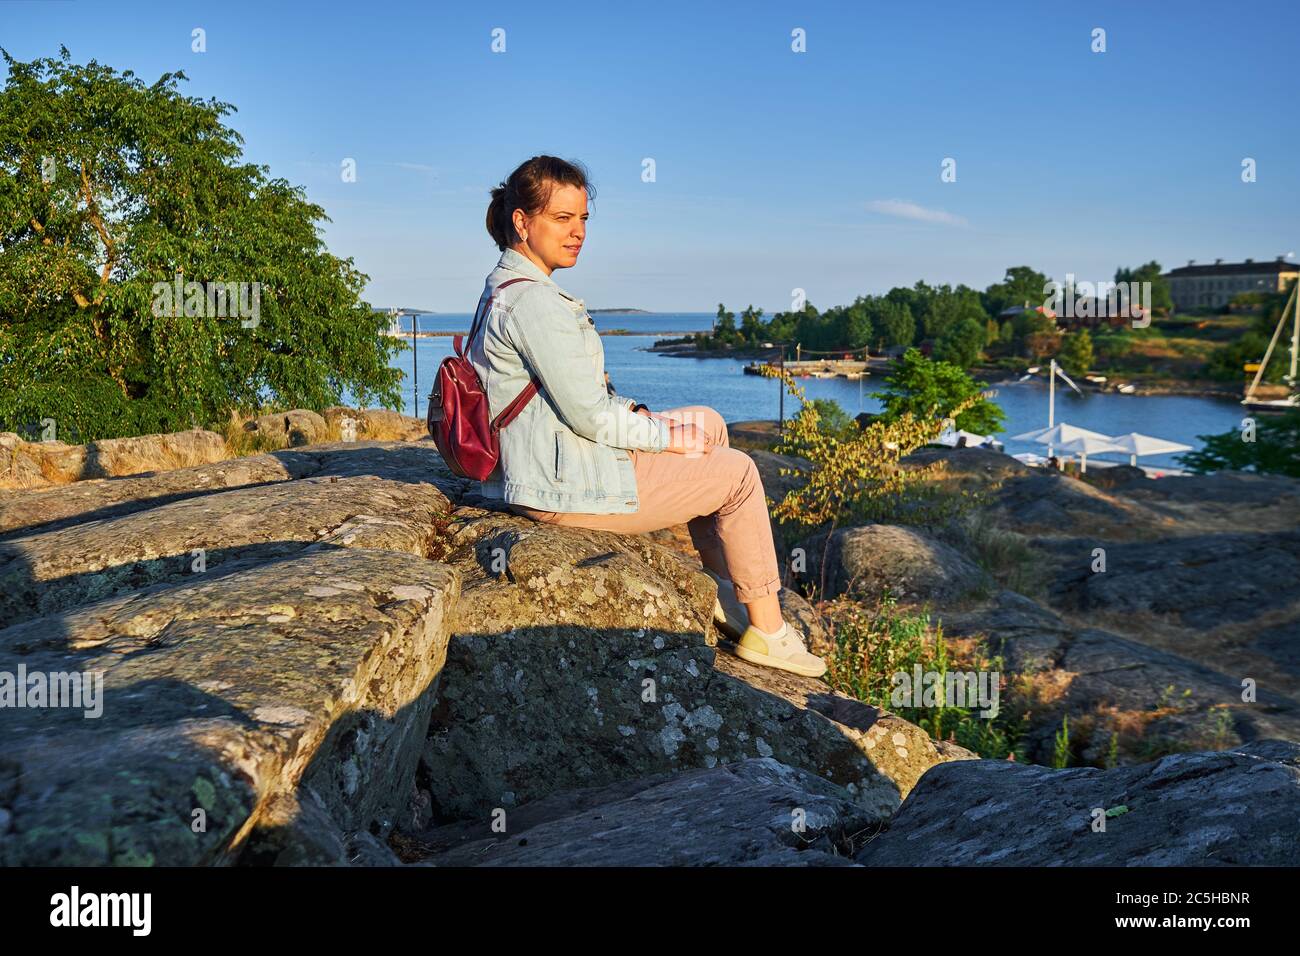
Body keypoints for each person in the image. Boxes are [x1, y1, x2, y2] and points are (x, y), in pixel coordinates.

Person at [467, 155, 825, 678]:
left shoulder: (514, 288)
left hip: (548, 460)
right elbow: (590, 416)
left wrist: (654, 423)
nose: (578, 232)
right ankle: (769, 632)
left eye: (583, 218)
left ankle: (728, 593)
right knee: (740, 474)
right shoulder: (533, 304)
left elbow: (574, 400)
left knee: (709, 423)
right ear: (522, 222)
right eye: (562, 219)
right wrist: (664, 439)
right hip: (554, 486)